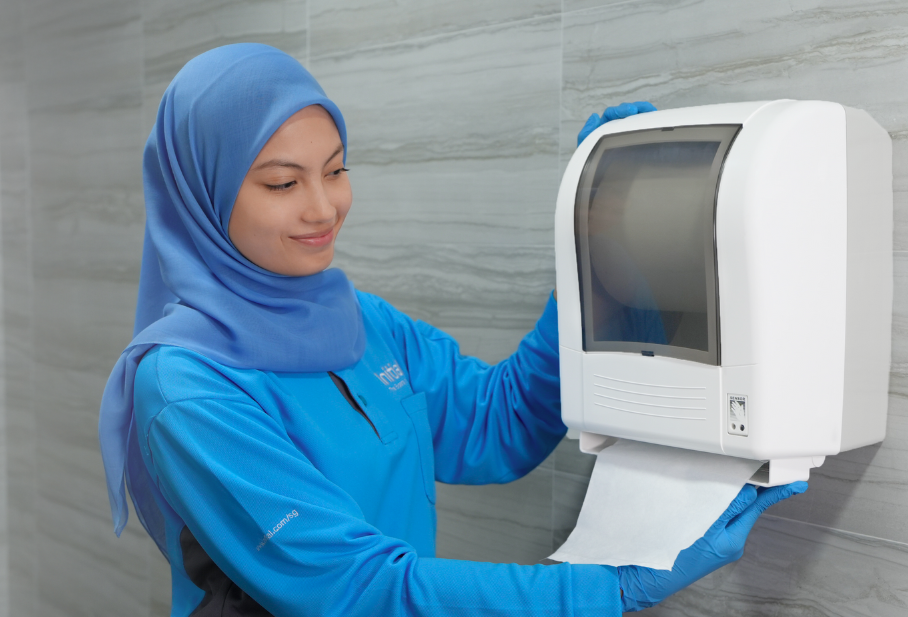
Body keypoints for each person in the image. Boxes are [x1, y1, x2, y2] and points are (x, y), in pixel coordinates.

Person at [97, 43, 806, 616]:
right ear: (203, 195)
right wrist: (607, 587)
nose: (324, 207)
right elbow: (356, 589)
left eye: (336, 169)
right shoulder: (185, 387)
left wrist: (591, 244)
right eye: (283, 184)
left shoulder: (359, 322)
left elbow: (498, 423)